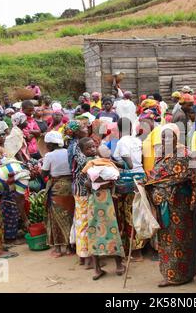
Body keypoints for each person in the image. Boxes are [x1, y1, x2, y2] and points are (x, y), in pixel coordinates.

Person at [145, 124, 196, 287]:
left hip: (180, 203)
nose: (165, 140)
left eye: (169, 137)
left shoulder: (185, 154)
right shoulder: (161, 155)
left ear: (177, 139)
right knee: (166, 240)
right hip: (164, 203)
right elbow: (156, 176)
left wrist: (155, 183)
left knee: (182, 239)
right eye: (162, 137)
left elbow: (190, 177)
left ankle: (183, 275)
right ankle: (170, 274)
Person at [82, 145, 125, 280]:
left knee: (93, 231)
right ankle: (118, 265)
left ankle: (97, 269)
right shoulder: (108, 166)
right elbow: (115, 182)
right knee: (113, 230)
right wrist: (105, 184)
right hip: (108, 201)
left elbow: (87, 185)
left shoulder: (90, 166)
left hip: (94, 201)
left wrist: (95, 184)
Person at [112, 118, 146, 261]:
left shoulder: (122, 142)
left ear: (118, 129)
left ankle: (136, 252)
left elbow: (129, 164)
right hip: (141, 179)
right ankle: (139, 249)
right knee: (139, 214)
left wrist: (109, 160)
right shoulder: (137, 141)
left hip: (129, 182)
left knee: (129, 216)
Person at [42, 131, 75, 258]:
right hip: (70, 186)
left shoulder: (49, 155)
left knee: (56, 218)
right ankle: (69, 247)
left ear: (50, 144)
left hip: (56, 188)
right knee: (70, 215)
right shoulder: (68, 151)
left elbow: (44, 174)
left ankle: (59, 248)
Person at [72, 137, 96, 267]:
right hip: (83, 194)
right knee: (86, 224)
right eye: (89, 148)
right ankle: (88, 258)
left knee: (81, 223)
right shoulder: (88, 161)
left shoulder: (84, 159)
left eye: (93, 146)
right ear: (82, 150)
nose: (93, 149)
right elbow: (88, 183)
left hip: (79, 193)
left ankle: (82, 256)